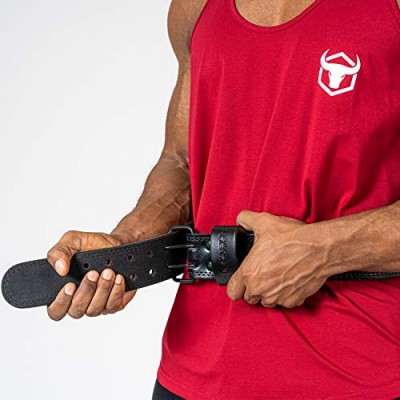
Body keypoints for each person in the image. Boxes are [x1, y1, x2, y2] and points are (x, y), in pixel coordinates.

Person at [45, 0, 400, 398]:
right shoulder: (194, 7)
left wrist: (326, 250)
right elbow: (182, 161)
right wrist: (126, 245)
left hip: (359, 375)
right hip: (196, 368)